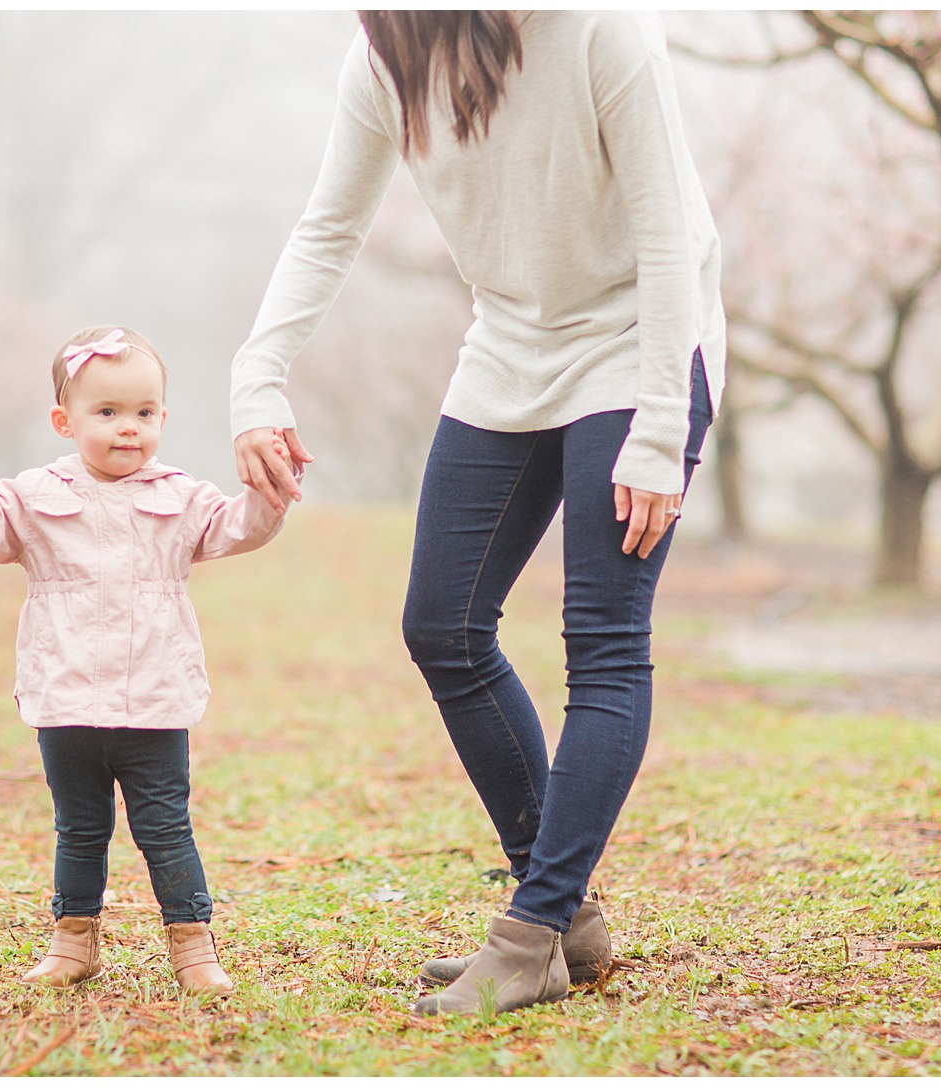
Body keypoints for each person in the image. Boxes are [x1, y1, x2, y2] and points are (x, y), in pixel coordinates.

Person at [230, 11, 722, 1016]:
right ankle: (566, 915)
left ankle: (533, 929)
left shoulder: (599, 32)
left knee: (604, 640)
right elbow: (330, 226)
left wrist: (661, 424)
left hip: (638, 342)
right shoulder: (386, 58)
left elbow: (670, 230)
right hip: (510, 344)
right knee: (441, 624)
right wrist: (258, 375)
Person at [0, 326, 299, 995]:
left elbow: (238, 527)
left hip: (154, 700)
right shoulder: (33, 496)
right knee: (79, 827)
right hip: (65, 698)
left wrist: (271, 487)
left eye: (144, 412)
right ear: (64, 420)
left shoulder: (181, 496)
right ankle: (74, 940)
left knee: (164, 825)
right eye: (107, 413)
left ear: (162, 416)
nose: (128, 428)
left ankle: (193, 945)